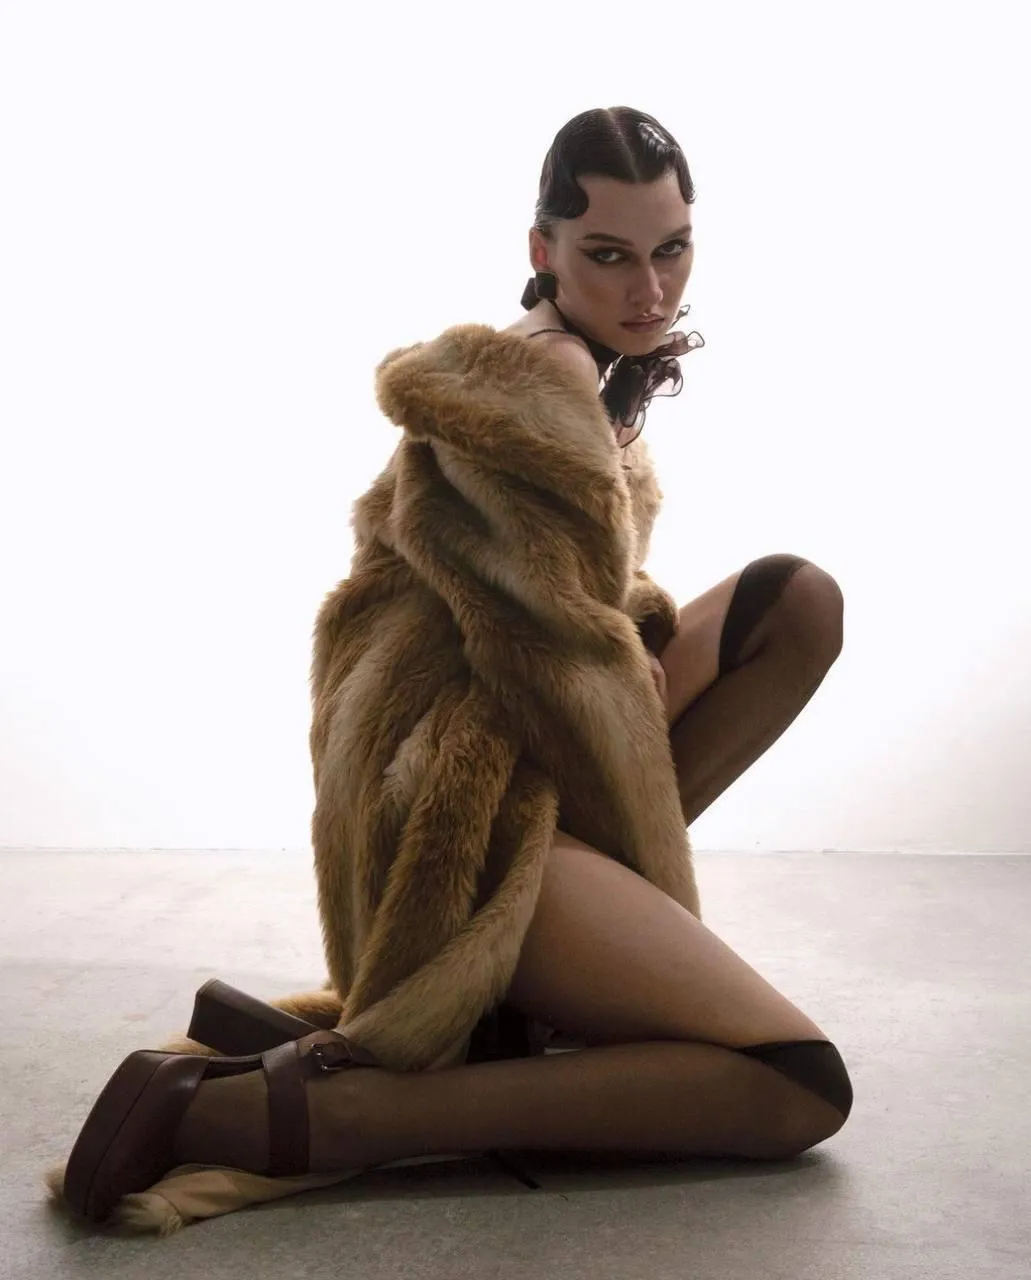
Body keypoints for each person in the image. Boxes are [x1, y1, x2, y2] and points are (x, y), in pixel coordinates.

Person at [58, 106, 853, 1228]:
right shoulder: (539, 386)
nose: (650, 289)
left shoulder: (575, 372)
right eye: (608, 255)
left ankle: (505, 1014)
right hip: (464, 813)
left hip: (473, 763)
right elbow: (560, 667)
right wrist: (652, 884)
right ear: (543, 251)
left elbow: (548, 616)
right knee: (795, 1084)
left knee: (795, 602)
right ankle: (308, 1113)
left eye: (670, 249)